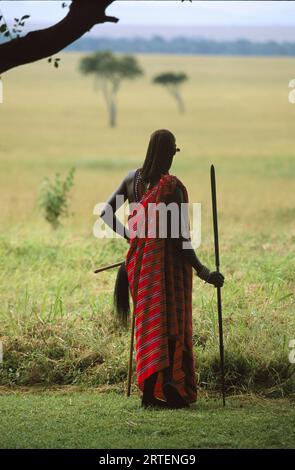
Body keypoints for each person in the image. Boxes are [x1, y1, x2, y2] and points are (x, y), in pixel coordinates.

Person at [100, 129, 224, 409]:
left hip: (140, 266)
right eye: (171, 153)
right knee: (169, 321)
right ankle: (167, 380)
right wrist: (204, 272)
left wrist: (133, 238)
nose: (171, 159)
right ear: (166, 153)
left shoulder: (132, 180)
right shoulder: (172, 189)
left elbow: (106, 212)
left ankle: (149, 393)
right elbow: (181, 240)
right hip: (169, 267)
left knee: (149, 323)